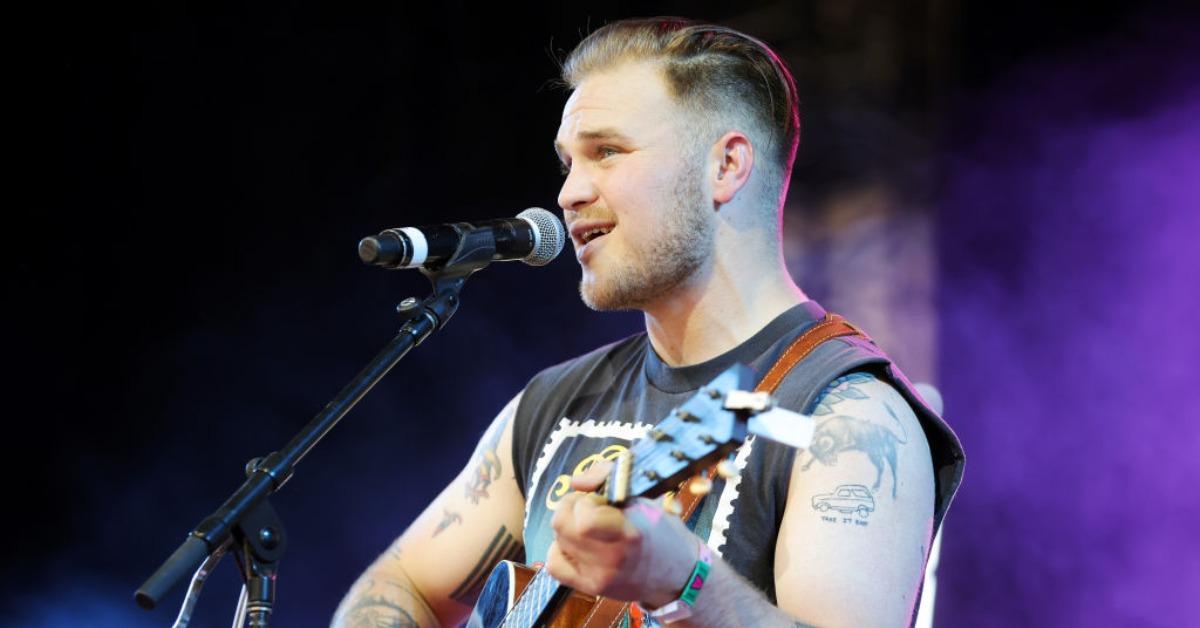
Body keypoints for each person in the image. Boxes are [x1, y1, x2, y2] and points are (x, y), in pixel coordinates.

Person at [333, 17, 963, 628]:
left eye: (606, 151)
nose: (568, 193)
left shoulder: (846, 416)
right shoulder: (554, 403)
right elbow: (401, 584)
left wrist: (683, 579)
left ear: (726, 167)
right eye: (567, 163)